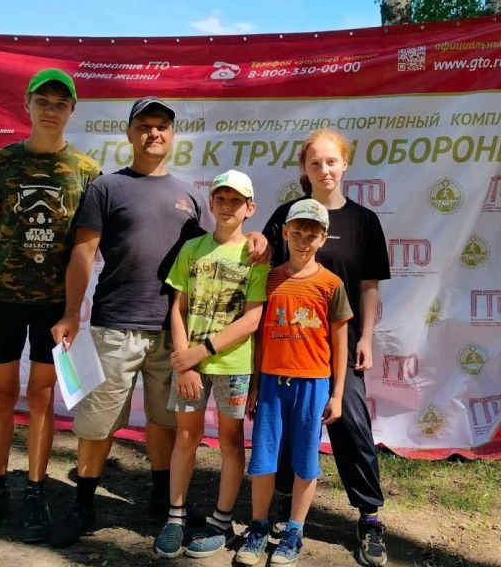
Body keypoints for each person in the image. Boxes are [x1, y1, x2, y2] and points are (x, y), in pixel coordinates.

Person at [48, 97, 268, 548]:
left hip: (173, 334)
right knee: (98, 423)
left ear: (172, 135)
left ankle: (162, 499)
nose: (154, 133)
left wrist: (257, 238)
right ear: (130, 134)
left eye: (163, 126)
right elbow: (83, 254)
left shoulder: (191, 196)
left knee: (166, 423)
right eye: (145, 125)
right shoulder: (106, 188)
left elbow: (216, 247)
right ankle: (83, 504)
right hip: (115, 324)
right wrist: (71, 312)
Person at [0, 68, 101, 543]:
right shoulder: (1, 162)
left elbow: (85, 250)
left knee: (41, 397)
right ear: (27, 104)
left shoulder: (86, 171)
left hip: (52, 306)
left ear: (72, 111)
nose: (51, 110)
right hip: (1, 298)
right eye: (43, 101)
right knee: (2, 395)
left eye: (61, 103)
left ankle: (36, 490)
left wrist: (72, 311)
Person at [261, 128, 391, 566]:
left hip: (340, 348)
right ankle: (284, 502)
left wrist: (366, 337)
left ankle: (369, 517)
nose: (324, 169)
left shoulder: (364, 222)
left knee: (351, 426)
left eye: (331, 161)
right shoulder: (284, 215)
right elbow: (262, 267)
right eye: (315, 162)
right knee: (286, 427)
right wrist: (254, 241)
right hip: (287, 347)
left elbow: (369, 286)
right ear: (304, 168)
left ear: (345, 164)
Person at [153, 169, 270, 559]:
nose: (227, 206)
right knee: (186, 437)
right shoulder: (192, 248)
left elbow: (252, 320)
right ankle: (175, 517)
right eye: (221, 199)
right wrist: (184, 365)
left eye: (236, 201)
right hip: (190, 366)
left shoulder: (255, 256)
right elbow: (178, 308)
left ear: (250, 208)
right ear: (211, 203)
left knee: (230, 441)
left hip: (233, 366)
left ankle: (221, 522)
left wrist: (199, 353)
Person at [236, 198, 352, 567]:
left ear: (323, 239)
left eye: (312, 235)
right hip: (272, 383)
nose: (303, 241)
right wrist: (255, 386)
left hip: (313, 384)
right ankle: (258, 527)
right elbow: (257, 338)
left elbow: (340, 343)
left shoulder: (332, 284)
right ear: (285, 232)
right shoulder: (268, 278)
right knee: (263, 458)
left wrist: (337, 393)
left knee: (305, 461)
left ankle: (294, 531)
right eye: (297, 232)